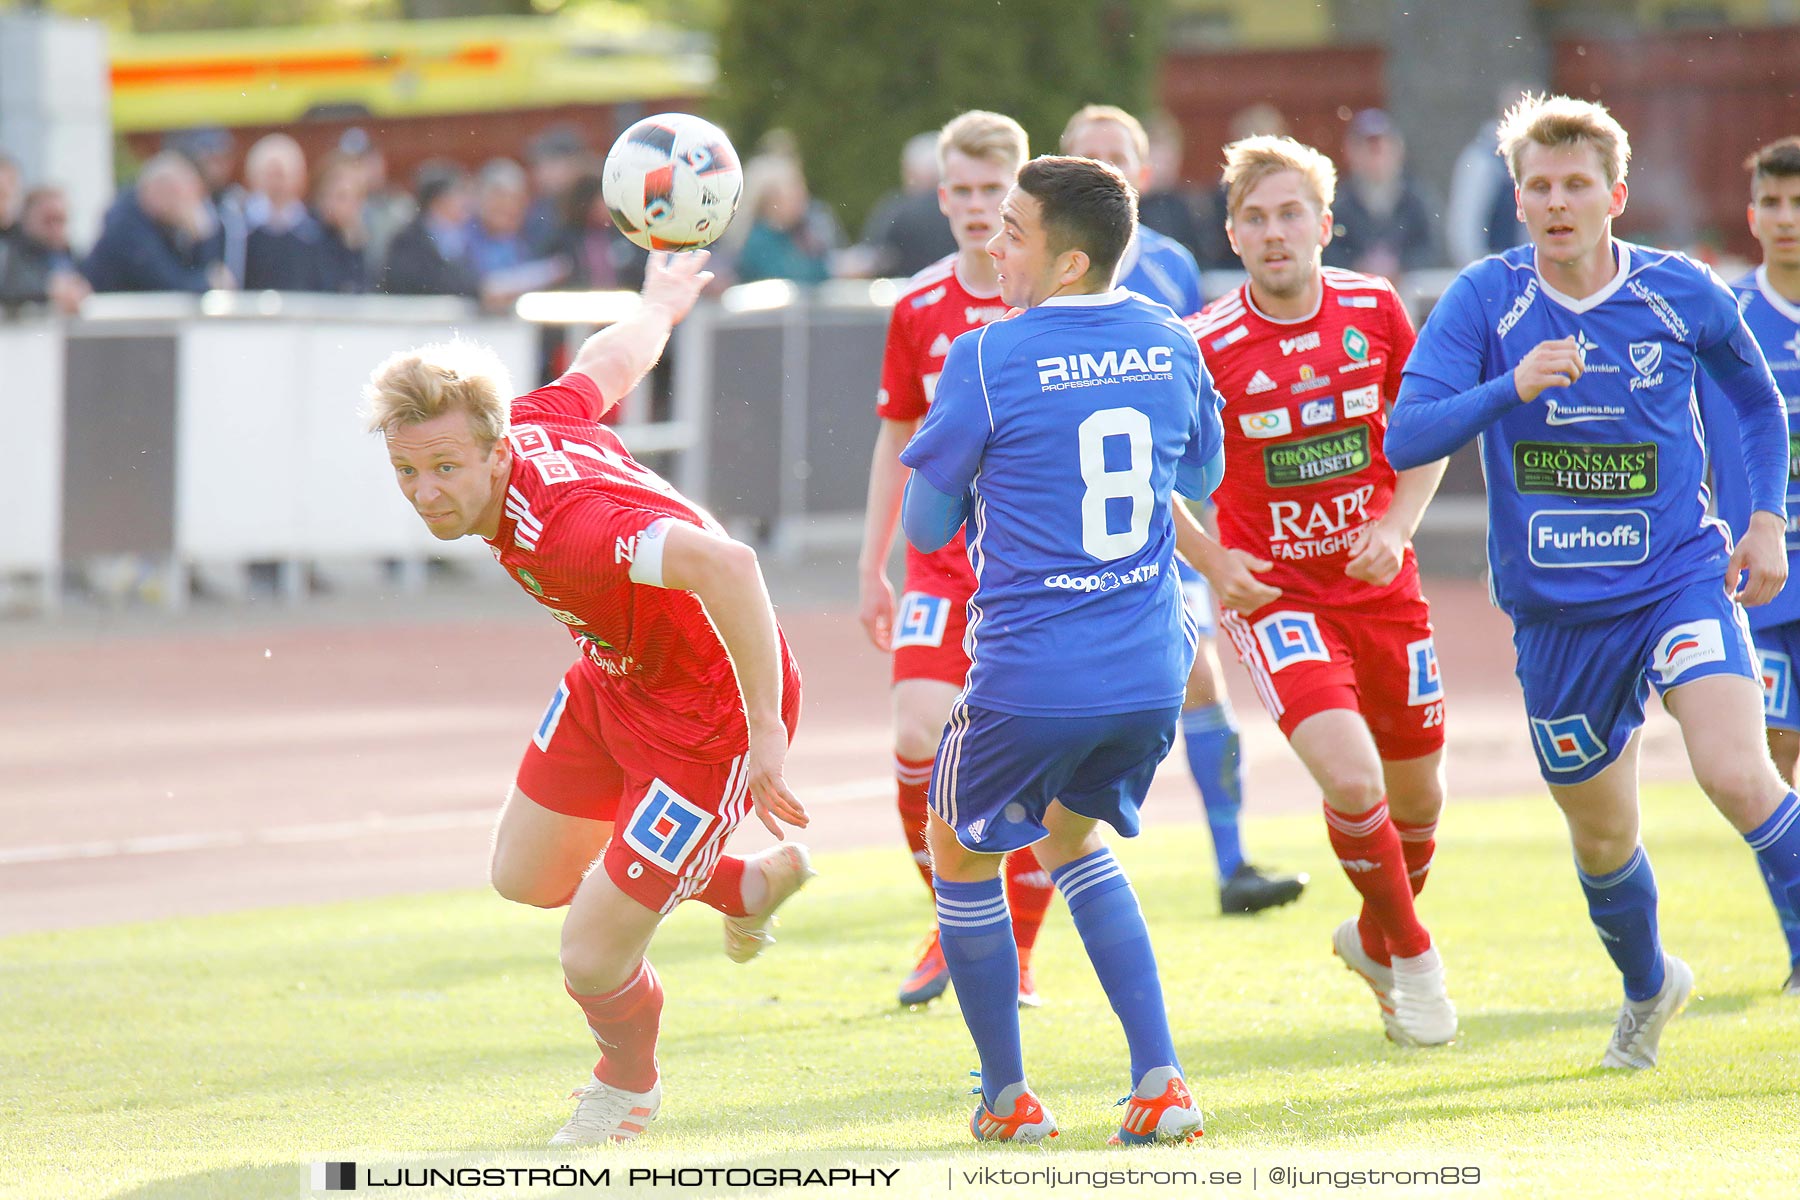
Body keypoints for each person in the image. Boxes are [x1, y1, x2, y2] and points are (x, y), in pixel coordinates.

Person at [363, 250, 816, 1143]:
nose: (427, 493)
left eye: (446, 467)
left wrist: (765, 727)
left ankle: (627, 1088)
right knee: (525, 877)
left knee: (591, 950)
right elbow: (607, 364)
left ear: (496, 452)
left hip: (706, 724)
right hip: (614, 678)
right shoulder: (528, 417)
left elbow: (728, 565)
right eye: (408, 472)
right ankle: (742, 887)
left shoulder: (574, 534)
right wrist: (660, 300)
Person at [1388, 94, 1800, 1068]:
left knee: (1738, 772)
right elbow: (1406, 436)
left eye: (1579, 184)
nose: (1559, 201)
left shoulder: (1680, 291)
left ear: (1615, 194)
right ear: (1519, 202)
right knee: (1603, 835)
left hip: (1677, 578)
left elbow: (1752, 397)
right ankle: (1651, 982)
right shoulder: (1485, 301)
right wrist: (1511, 387)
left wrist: (1766, 521)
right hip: (1555, 615)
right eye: (1540, 186)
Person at [900, 154, 1220, 1145]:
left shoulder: (989, 355)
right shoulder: (1173, 340)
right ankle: (1161, 1081)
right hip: (1150, 671)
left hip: (1034, 671)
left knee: (958, 849)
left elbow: (923, 522)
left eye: (1014, 232)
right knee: (1071, 838)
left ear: (1070, 261)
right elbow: (1197, 469)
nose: (996, 246)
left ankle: (1006, 1098)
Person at [1179, 135, 1456, 1046]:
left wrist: (1397, 525)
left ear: (1325, 224)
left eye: (1290, 213)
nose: (1274, 232)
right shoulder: (1204, 343)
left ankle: (1371, 941)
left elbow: (1423, 431)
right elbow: (1151, 475)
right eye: (1254, 218)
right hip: (1278, 598)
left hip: (1383, 590)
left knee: (1419, 805)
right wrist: (1217, 565)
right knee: (1351, 774)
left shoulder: (1376, 309)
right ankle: (1416, 963)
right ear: (1232, 233)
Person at [1063, 104, 1307, 915]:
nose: (1104, 169)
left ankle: (1233, 863)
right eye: (1086, 157)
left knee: (1200, 678)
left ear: (1144, 171)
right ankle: (1029, 865)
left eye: (1116, 156)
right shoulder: (1035, 267)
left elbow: (1204, 396)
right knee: (1064, 702)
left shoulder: (1172, 269)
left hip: (1165, 516)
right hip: (1072, 521)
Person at [855, 110, 1057, 1008]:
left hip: (1040, 566)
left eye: (995, 191)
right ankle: (954, 917)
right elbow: (896, 435)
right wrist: (873, 564)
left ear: (1022, 195)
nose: (980, 208)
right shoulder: (919, 308)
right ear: (939, 197)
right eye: (964, 191)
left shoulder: (1053, 298)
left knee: (1045, 770)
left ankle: (1011, 949)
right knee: (916, 739)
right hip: (942, 564)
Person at [1696, 135, 1800, 996]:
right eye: (1772, 203)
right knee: (1772, 755)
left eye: (1799, 203)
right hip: (1760, 588)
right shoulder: (1724, 317)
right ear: (1751, 213)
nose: (1786, 219)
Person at [84, 153, 231, 294]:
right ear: (163, 190)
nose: (191, 205)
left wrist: (200, 237)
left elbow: (199, 271)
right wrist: (208, 282)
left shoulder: (162, 224)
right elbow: (169, 286)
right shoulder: (126, 227)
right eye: (185, 195)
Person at [1323, 109, 1440, 279]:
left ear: (1398, 150)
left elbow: (1431, 248)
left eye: (1383, 149)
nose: (1377, 158)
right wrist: (1357, 267)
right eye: (1369, 150)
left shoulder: (1417, 200)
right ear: (1351, 152)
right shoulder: (1338, 204)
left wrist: (1402, 267)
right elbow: (1328, 250)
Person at [852, 132, 958, 278]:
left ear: (911, 172)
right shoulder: (963, 207)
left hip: (907, 292)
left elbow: (872, 258)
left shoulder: (897, 209)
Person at [377, 161, 480, 299]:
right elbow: (418, 283)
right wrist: (476, 289)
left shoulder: (467, 234)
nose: (466, 201)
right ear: (439, 200)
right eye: (459, 193)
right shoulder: (407, 241)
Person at [242, 134, 323, 292]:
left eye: (281, 175)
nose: (276, 183)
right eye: (269, 174)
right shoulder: (239, 230)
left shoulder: (314, 230)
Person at [0, 185, 89, 314]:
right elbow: (11, 286)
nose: (55, 228)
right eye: (48, 220)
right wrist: (49, 288)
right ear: (26, 219)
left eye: (61, 220)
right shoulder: (10, 252)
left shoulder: (73, 256)